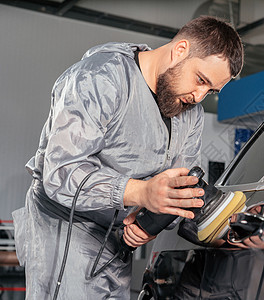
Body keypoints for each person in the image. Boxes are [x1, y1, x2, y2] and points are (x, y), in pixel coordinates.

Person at [12, 16, 244, 299]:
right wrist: (142, 192)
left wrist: (148, 225)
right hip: (64, 229)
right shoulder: (100, 77)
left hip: (119, 241)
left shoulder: (190, 113)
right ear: (180, 49)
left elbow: (178, 185)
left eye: (211, 91)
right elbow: (60, 172)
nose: (199, 96)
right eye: (201, 80)